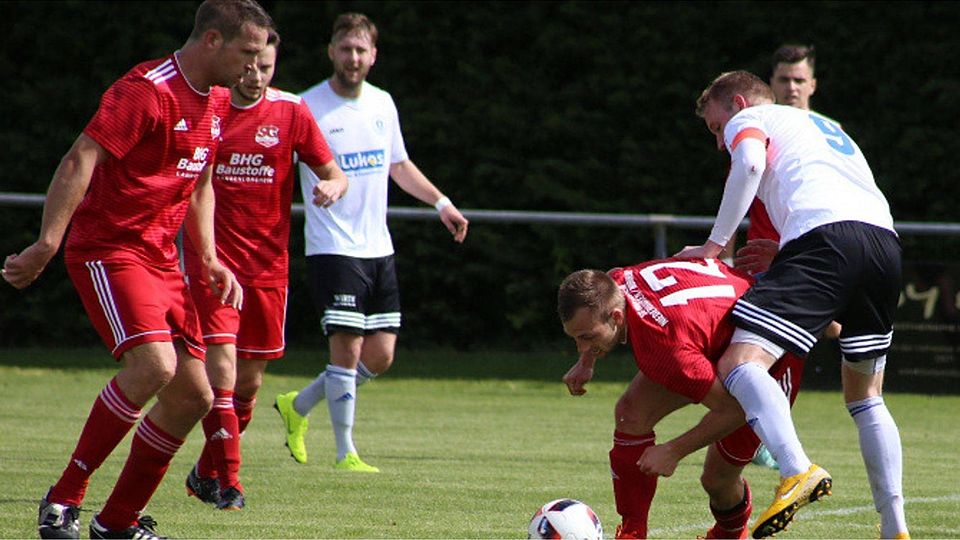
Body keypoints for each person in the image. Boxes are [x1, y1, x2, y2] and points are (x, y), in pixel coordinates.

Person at [2, 1, 273, 538]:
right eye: (246, 51)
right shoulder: (146, 90)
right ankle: (62, 500)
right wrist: (47, 243)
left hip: (161, 259)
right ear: (212, 41)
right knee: (154, 366)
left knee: (195, 397)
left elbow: (199, 183)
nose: (254, 66)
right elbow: (81, 158)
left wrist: (209, 257)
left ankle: (117, 523)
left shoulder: (219, 100)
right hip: (110, 248)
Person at [678, 70, 908, 539]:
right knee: (867, 396)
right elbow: (828, 194)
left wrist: (713, 247)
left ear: (738, 103)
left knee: (740, 363)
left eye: (718, 127)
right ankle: (895, 529)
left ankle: (795, 468)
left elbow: (749, 165)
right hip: (884, 245)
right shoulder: (825, 126)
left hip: (826, 241)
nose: (720, 142)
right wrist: (788, 251)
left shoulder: (752, 118)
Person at [273, 12, 469, 472]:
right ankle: (346, 453)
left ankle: (297, 405)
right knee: (346, 350)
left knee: (380, 356)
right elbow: (280, 168)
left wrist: (441, 202)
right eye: (346, 48)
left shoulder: (383, 103)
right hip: (332, 246)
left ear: (374, 55)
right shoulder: (306, 107)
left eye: (361, 49)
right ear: (331, 52)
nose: (353, 57)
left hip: (378, 247)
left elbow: (398, 165)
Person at [181, 31, 348, 511]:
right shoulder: (208, 108)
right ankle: (231, 484)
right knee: (222, 372)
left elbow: (335, 172)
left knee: (249, 384)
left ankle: (206, 472)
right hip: (213, 264)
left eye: (266, 68)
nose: (255, 76)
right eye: (249, 66)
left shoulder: (291, 111)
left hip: (268, 267)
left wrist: (333, 187)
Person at [558, 258, 804, 539]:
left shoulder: (664, 349)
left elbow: (736, 409)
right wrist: (587, 362)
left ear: (616, 317)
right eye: (576, 338)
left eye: (587, 337)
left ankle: (729, 534)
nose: (581, 346)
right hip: (708, 338)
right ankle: (632, 532)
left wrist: (674, 450)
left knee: (717, 480)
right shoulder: (616, 281)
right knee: (631, 413)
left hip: (772, 354)